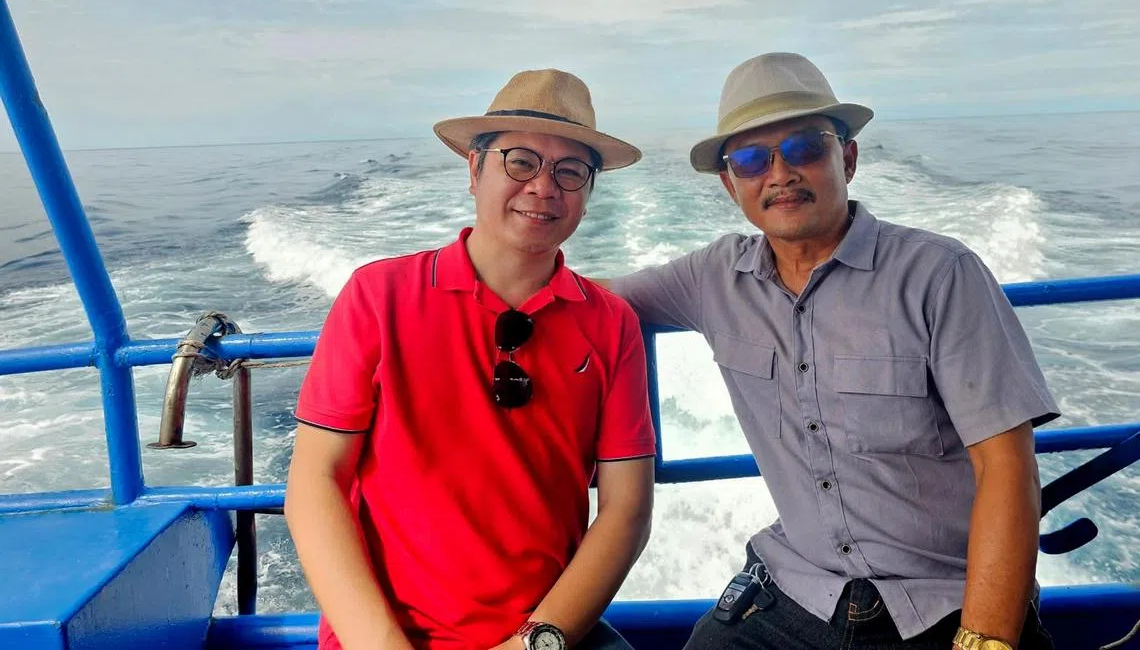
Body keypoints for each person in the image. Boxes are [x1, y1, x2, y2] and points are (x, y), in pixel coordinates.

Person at [600, 53, 1060, 649]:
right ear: (729, 183)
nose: (780, 174)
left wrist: (987, 639)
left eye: (803, 148)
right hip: (795, 589)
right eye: (750, 159)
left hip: (941, 598)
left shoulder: (941, 276)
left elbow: (1007, 467)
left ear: (847, 157)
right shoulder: (713, 278)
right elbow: (585, 301)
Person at [285, 68, 657, 650]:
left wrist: (536, 642)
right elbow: (315, 482)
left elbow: (627, 509)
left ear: (586, 191)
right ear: (474, 169)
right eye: (520, 161)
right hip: (389, 635)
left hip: (545, 635)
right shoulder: (378, 297)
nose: (543, 186)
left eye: (569, 171)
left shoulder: (611, 324)